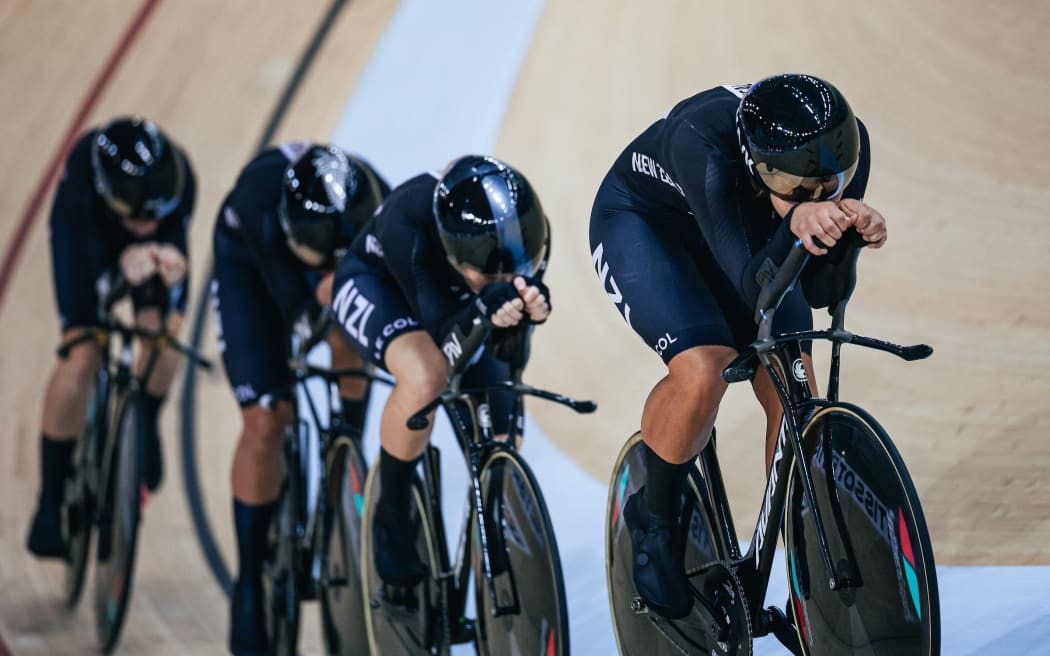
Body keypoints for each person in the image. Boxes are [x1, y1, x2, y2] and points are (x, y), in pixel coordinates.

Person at [590, 73, 888, 619]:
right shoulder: (700, 144)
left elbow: (820, 293)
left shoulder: (845, 147)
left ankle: (804, 548)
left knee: (795, 379)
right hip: (646, 226)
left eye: (830, 187)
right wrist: (797, 222)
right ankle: (653, 520)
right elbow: (752, 287)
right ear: (758, 167)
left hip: (747, 230)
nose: (820, 195)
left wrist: (846, 237)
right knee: (706, 369)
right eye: (799, 190)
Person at [331, 155, 551, 593]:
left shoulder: (530, 230)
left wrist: (520, 319)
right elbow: (447, 347)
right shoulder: (406, 225)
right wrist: (489, 307)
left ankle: (484, 573)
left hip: (457, 307)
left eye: (516, 270)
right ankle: (390, 514)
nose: (507, 278)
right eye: (490, 273)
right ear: (456, 257)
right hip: (381, 287)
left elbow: (507, 347)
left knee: (504, 435)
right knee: (425, 377)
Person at [211, 142, 389, 654]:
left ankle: (344, 444)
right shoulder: (257, 203)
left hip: (335, 263)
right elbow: (296, 308)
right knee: (267, 419)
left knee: (350, 330)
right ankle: (248, 583)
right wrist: (313, 306)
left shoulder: (377, 195)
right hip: (252, 269)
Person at [26, 116, 195, 558]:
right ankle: (48, 504)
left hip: (155, 248)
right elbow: (87, 277)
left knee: (162, 338)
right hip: (90, 241)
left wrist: (166, 264)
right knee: (82, 355)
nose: (147, 222)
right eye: (137, 217)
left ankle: (146, 422)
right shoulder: (82, 190)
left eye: (154, 213)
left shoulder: (180, 180)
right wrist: (120, 265)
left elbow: (174, 250)